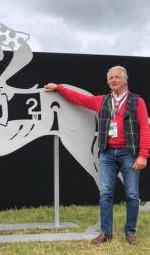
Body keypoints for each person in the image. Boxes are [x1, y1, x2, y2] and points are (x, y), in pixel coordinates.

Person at [44, 66, 150, 245]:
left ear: (125, 80)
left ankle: (130, 232)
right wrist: (59, 88)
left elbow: (145, 128)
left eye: (117, 77)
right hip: (107, 153)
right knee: (106, 193)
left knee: (132, 194)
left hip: (129, 154)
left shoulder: (137, 101)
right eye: (111, 78)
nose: (114, 80)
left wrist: (143, 155)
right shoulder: (102, 100)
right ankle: (106, 232)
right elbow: (79, 99)